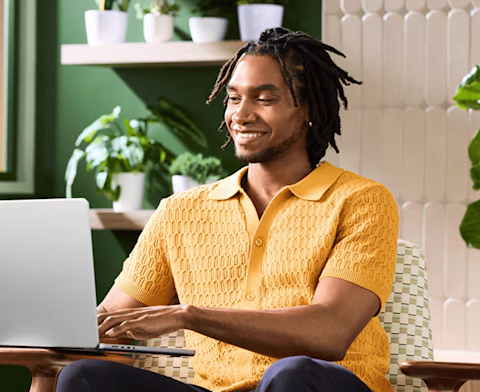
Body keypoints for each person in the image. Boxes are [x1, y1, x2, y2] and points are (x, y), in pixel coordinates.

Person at [56, 28, 399, 392]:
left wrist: (188, 316)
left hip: (316, 385)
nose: (241, 114)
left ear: (308, 111)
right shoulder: (180, 212)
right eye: (233, 98)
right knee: (83, 377)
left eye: (264, 98)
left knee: (291, 375)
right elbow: (110, 319)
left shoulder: (360, 200)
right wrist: (54, 325)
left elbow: (330, 332)